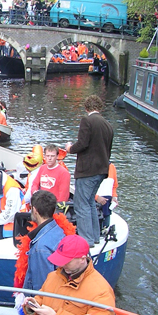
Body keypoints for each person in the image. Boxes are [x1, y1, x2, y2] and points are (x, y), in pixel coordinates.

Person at [65, 96, 114, 247]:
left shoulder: (87, 121)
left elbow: (83, 143)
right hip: (101, 170)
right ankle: (95, 237)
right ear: (100, 107)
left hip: (88, 171)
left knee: (81, 205)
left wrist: (70, 148)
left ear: (86, 108)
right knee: (90, 202)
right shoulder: (108, 125)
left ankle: (86, 240)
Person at [23, 191, 66, 292]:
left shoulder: (41, 247)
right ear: (54, 209)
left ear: (34, 210)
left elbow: (42, 288)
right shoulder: (60, 232)